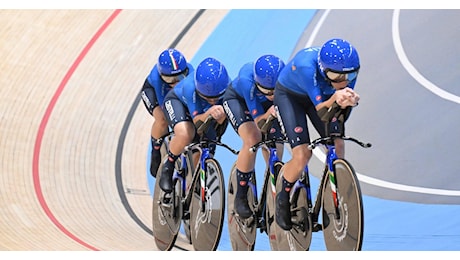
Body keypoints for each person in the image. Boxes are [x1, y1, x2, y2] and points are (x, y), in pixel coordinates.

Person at [273, 38, 361, 230]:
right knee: (303, 154)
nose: (344, 82)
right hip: (290, 97)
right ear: (323, 70)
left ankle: (335, 184)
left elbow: (339, 118)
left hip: (322, 97)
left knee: (336, 142)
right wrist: (337, 99)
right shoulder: (306, 66)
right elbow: (322, 110)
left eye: (349, 76)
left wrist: (347, 103)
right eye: (337, 77)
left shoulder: (347, 73)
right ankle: (282, 195)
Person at [222, 54, 285, 219]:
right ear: (257, 83)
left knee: (275, 147)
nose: (272, 95)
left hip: (266, 106)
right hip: (239, 102)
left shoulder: (285, 79)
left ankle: (274, 186)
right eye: (267, 91)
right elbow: (259, 122)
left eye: (275, 91)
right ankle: (241, 196)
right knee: (253, 139)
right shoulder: (246, 81)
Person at [159, 57, 230, 193]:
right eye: (208, 98)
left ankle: (195, 178)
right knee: (186, 133)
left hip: (205, 112)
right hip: (179, 104)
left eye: (217, 98)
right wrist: (209, 112)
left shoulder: (228, 87)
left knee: (208, 143)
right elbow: (197, 122)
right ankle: (169, 165)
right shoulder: (190, 88)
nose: (213, 101)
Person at [140, 49, 194, 178]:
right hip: (153, 92)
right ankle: (156, 148)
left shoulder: (191, 72)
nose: (176, 82)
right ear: (162, 76)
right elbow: (166, 106)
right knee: (163, 119)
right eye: (170, 79)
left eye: (180, 77)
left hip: (174, 95)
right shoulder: (157, 79)